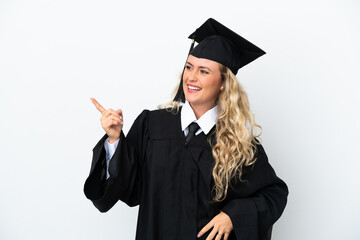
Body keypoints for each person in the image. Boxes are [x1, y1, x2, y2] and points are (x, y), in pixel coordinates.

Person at [84, 18, 288, 240]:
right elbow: (127, 188)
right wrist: (114, 140)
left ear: (223, 83)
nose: (191, 76)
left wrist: (233, 216)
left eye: (204, 71)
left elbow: (273, 195)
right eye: (189, 67)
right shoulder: (152, 126)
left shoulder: (237, 142)